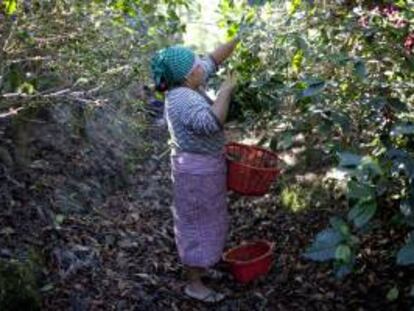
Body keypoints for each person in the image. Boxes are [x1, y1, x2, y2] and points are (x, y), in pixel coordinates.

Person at [150, 38, 239, 303]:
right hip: (195, 174)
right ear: (190, 74)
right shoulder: (181, 99)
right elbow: (211, 123)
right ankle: (194, 283)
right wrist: (226, 91)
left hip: (207, 170)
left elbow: (213, 59)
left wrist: (240, 36)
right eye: (196, 63)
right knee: (195, 223)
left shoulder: (187, 83)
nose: (203, 64)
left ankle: (206, 264)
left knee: (210, 218)